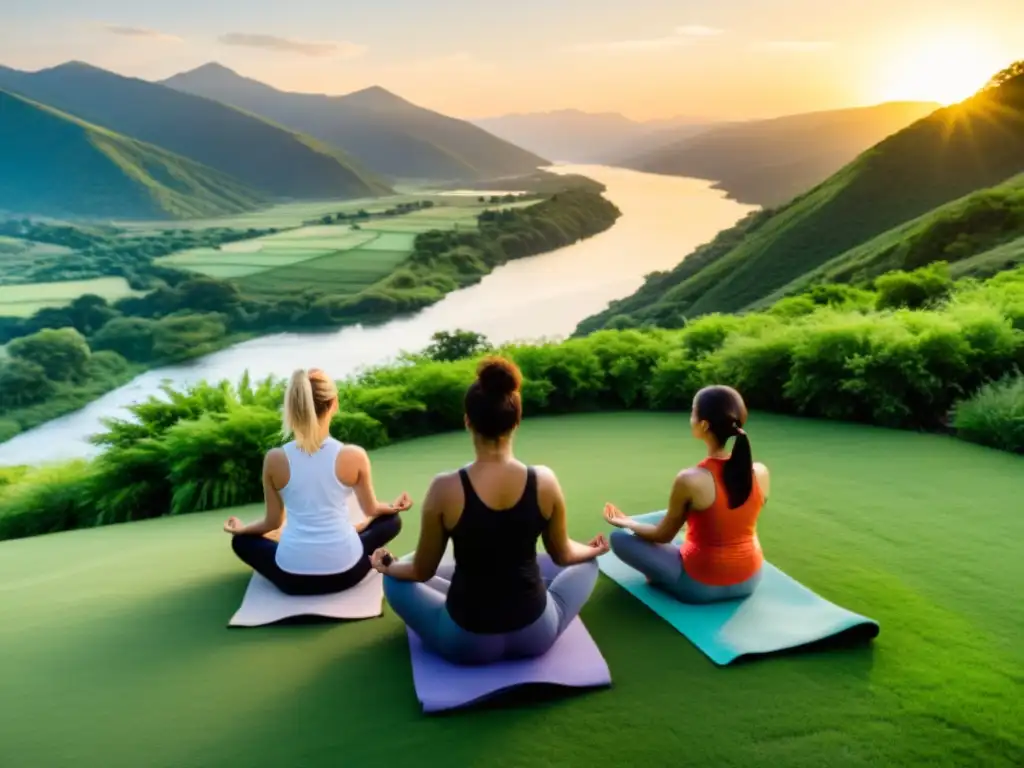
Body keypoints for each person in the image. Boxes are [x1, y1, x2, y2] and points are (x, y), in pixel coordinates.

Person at [371, 356, 609, 665]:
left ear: (467, 421)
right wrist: (593, 550)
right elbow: (563, 554)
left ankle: (418, 583)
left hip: (466, 642)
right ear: (517, 420)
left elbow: (422, 571)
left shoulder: (444, 488)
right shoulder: (544, 481)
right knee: (587, 564)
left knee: (397, 574)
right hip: (536, 633)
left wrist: (385, 567)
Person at [224, 368, 411, 596]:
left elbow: (272, 523)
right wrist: (393, 508)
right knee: (391, 521)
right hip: (347, 573)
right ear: (334, 403)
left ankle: (350, 534)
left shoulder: (274, 459)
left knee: (241, 543)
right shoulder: (354, 455)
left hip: (291, 580)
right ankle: (366, 546)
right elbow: (371, 509)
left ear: (293, 407)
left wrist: (242, 530)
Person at [604, 385, 770, 604]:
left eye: (692, 412)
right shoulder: (760, 472)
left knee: (619, 538)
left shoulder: (691, 479)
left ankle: (660, 576)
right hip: (750, 580)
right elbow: (731, 515)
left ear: (703, 424)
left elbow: (662, 536)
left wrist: (626, 523)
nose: (690, 417)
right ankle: (660, 552)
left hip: (699, 586)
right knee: (675, 516)